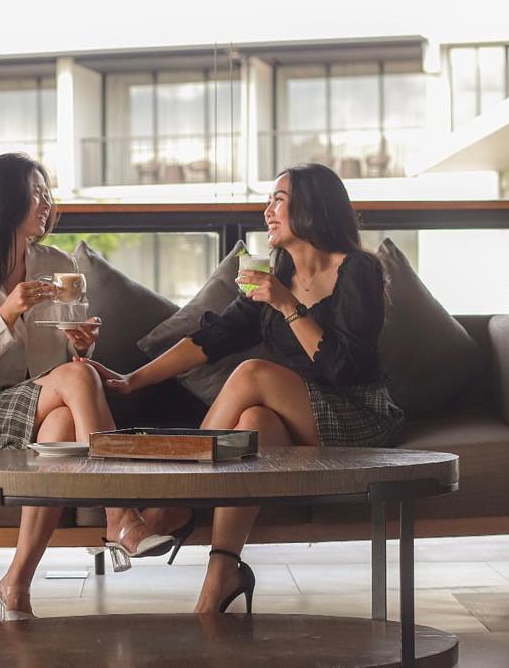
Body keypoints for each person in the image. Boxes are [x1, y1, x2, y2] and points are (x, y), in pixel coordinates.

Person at [82, 162, 404, 614]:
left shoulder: (357, 270)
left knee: (252, 372)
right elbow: (209, 340)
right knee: (253, 422)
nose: (267, 211)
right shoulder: (277, 273)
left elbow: (345, 369)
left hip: (359, 414)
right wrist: (133, 380)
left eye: (279, 200)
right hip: (304, 418)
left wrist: (287, 305)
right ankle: (221, 577)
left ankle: (174, 501)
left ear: (312, 207)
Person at [0, 152, 174, 621]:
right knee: (77, 381)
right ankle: (120, 516)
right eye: (35, 193)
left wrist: (82, 344)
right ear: (3, 201)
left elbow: (67, 357)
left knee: (61, 423)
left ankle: (15, 584)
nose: (46, 203)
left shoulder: (57, 264)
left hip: (45, 401)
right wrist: (6, 314)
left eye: (46, 193)